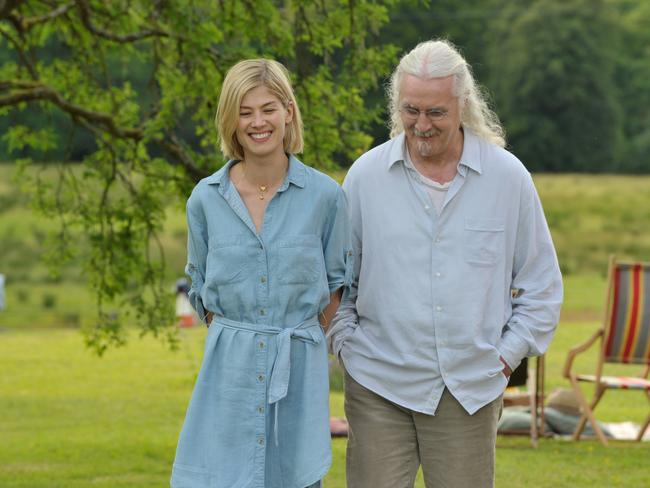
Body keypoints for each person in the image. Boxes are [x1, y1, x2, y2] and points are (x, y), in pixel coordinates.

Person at [327, 39, 563, 488]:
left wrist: (505, 356)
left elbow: (541, 286)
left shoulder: (508, 178)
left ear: (463, 105)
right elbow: (338, 282)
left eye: (435, 112)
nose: (421, 124)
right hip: (378, 383)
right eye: (411, 110)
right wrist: (347, 346)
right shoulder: (364, 178)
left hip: (469, 390)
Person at [171, 59, 352, 488]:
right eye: (245, 111)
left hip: (299, 370)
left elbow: (336, 285)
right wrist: (241, 336)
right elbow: (200, 288)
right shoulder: (205, 200)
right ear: (230, 121)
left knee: (297, 478)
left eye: (268, 108)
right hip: (227, 374)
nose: (258, 122)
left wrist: (301, 337)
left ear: (288, 111)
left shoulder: (326, 197)